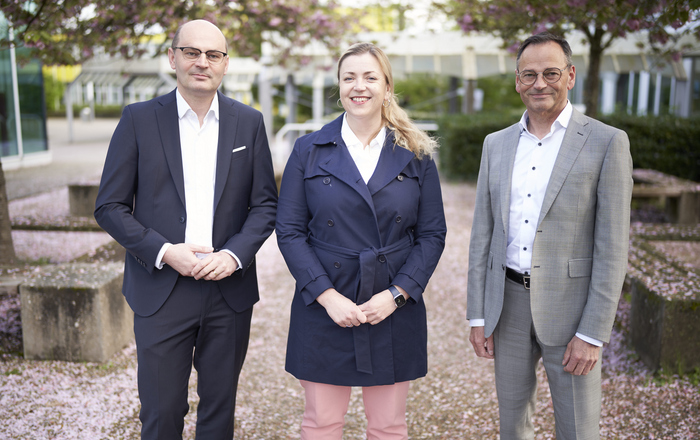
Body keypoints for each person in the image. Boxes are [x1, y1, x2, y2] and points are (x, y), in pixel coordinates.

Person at [94, 19, 277, 440]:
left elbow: (265, 204)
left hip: (227, 291)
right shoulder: (139, 119)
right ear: (172, 58)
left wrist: (232, 256)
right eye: (192, 52)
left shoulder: (248, 122)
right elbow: (109, 205)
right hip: (161, 289)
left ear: (225, 65)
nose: (202, 62)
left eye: (213, 54)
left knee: (219, 411)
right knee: (160, 413)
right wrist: (163, 251)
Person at [276, 42, 447, 439]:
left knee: (388, 426)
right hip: (323, 302)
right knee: (321, 423)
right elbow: (289, 231)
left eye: (370, 77)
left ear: (387, 87)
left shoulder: (416, 153)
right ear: (339, 87)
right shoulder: (307, 149)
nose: (359, 86)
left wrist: (397, 294)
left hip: (392, 304)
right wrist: (326, 296)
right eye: (349, 77)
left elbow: (432, 234)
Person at [467, 32, 633, 439]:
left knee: (578, 428)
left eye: (551, 73)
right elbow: (482, 234)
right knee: (512, 424)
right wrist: (478, 314)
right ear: (517, 81)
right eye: (529, 75)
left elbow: (612, 248)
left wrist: (592, 333)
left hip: (572, 310)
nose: (539, 83)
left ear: (571, 75)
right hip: (506, 306)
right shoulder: (496, 144)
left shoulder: (607, 142)